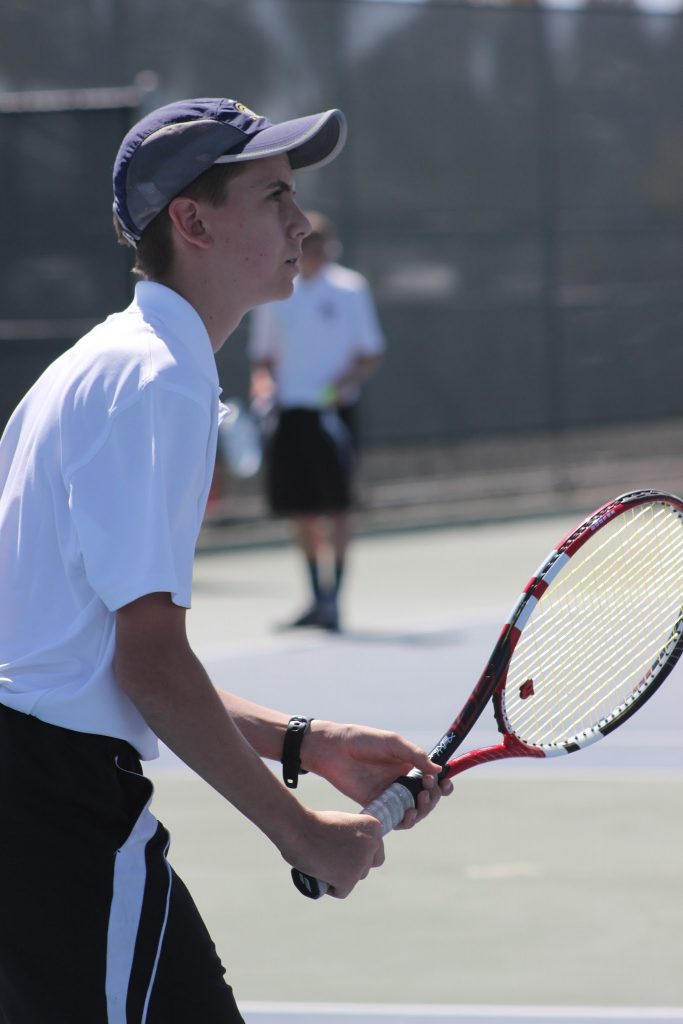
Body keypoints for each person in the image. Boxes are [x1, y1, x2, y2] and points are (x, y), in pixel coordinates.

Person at [0, 96, 452, 1023]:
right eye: (274, 195)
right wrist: (300, 834)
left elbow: (87, 655)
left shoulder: (106, 361)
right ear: (193, 222)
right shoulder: (158, 379)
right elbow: (149, 665)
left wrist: (306, 741)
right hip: (51, 806)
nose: (300, 221)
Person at [249, 212, 384, 632]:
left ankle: (334, 601)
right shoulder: (272, 292)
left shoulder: (349, 289)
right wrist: (263, 387)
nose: (312, 250)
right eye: (306, 241)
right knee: (301, 510)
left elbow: (369, 353)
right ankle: (316, 598)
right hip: (289, 415)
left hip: (332, 416)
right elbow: (263, 360)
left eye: (320, 242)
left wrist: (335, 388)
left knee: (338, 508)